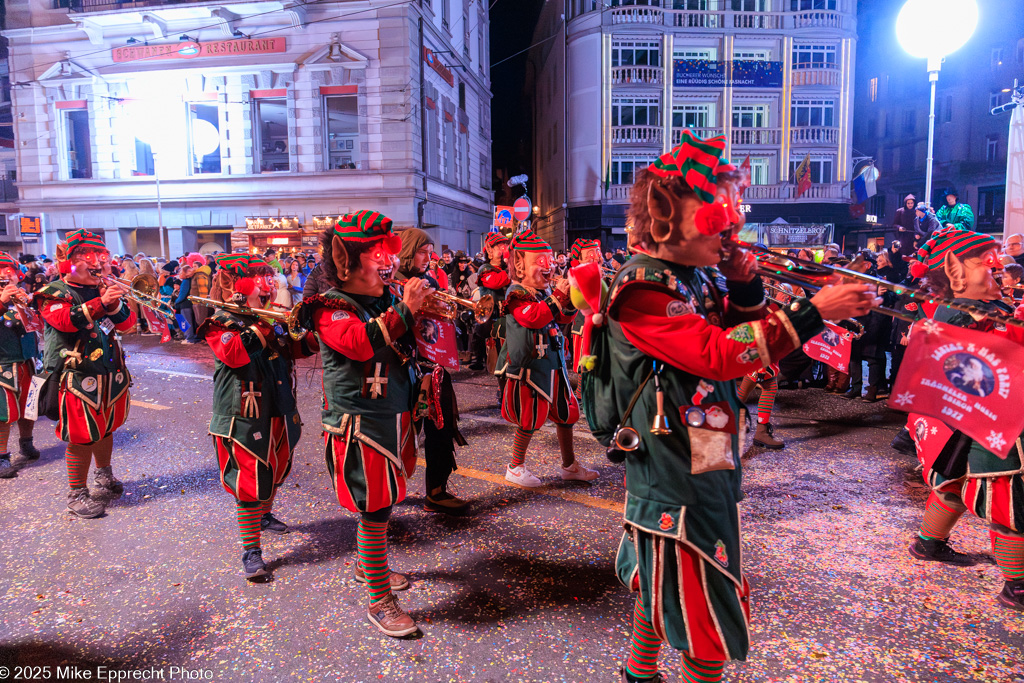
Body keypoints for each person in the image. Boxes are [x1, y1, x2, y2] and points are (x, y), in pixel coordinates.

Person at [585, 132, 877, 683]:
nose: (731, 227)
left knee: (666, 578)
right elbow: (719, 354)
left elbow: (733, 330)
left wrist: (744, 286)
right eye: (715, 210)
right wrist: (815, 311)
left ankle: (638, 673)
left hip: (703, 441)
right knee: (707, 607)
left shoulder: (689, 276)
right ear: (665, 214)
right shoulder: (643, 287)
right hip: (672, 464)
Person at [301, 210, 429, 637]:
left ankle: (367, 566)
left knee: (387, 500)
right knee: (373, 508)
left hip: (392, 414)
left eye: (387, 251)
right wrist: (407, 310)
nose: (387, 260)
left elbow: (400, 341)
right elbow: (359, 344)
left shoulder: (384, 298)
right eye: (376, 253)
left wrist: (423, 317)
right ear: (348, 261)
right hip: (359, 421)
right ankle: (378, 600)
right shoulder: (329, 306)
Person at [905, 227, 1024, 610]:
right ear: (956, 273)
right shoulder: (961, 311)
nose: (998, 271)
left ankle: (928, 543)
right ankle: (1018, 585)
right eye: (986, 266)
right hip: (986, 423)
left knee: (954, 482)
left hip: (960, 424)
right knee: (1007, 499)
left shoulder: (969, 308)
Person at [200, 253, 317, 580]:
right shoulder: (220, 321)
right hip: (242, 412)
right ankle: (251, 550)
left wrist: (314, 336)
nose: (268, 286)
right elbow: (234, 354)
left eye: (269, 279)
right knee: (249, 481)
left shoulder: (271, 316)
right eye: (261, 279)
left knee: (275, 468)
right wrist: (263, 325)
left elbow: (291, 349)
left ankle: (263, 514)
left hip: (277, 404)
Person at [35, 230, 137, 518]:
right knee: (81, 437)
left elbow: (127, 325)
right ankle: (76, 493)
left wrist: (115, 302)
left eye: (102, 259)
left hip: (110, 375)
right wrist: (102, 303)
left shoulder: (103, 289)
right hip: (76, 377)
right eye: (89, 259)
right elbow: (65, 321)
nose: (99, 265)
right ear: (69, 262)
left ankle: (104, 475)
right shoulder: (53, 292)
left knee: (105, 429)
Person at [495, 228, 599, 488]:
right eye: (540, 261)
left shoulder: (543, 292)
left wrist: (571, 297)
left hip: (553, 364)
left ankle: (569, 466)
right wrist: (557, 297)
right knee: (529, 418)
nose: (549, 266)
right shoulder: (516, 293)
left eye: (550, 260)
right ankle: (515, 466)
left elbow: (560, 317)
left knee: (567, 414)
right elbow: (532, 317)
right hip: (528, 369)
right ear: (519, 265)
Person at [395, 227, 470, 514]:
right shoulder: (394, 283)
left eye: (430, 252)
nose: (429, 257)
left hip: (434, 364)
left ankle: (437, 491)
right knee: (402, 432)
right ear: (407, 251)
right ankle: (391, 489)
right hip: (408, 367)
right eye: (422, 251)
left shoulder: (425, 279)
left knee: (442, 427)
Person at [0, 252, 41, 479]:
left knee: (29, 407)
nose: (6, 277)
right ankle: (2, 456)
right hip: (3, 364)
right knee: (4, 413)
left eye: (10, 272)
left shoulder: (22, 295)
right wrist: (2, 303)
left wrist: (30, 306)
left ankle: (26, 444)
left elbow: (37, 326)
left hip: (28, 360)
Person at [469, 233, 511, 372]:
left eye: (505, 246)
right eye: (499, 246)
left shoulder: (507, 268)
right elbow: (496, 282)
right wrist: (513, 270)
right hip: (493, 316)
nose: (503, 249)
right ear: (489, 250)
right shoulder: (485, 269)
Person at [893, 194, 919, 260]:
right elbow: (894, 224)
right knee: (903, 257)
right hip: (903, 237)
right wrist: (899, 228)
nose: (910, 205)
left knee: (914, 257)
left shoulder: (917, 212)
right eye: (908, 203)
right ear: (905, 203)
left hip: (914, 237)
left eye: (912, 203)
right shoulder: (900, 211)